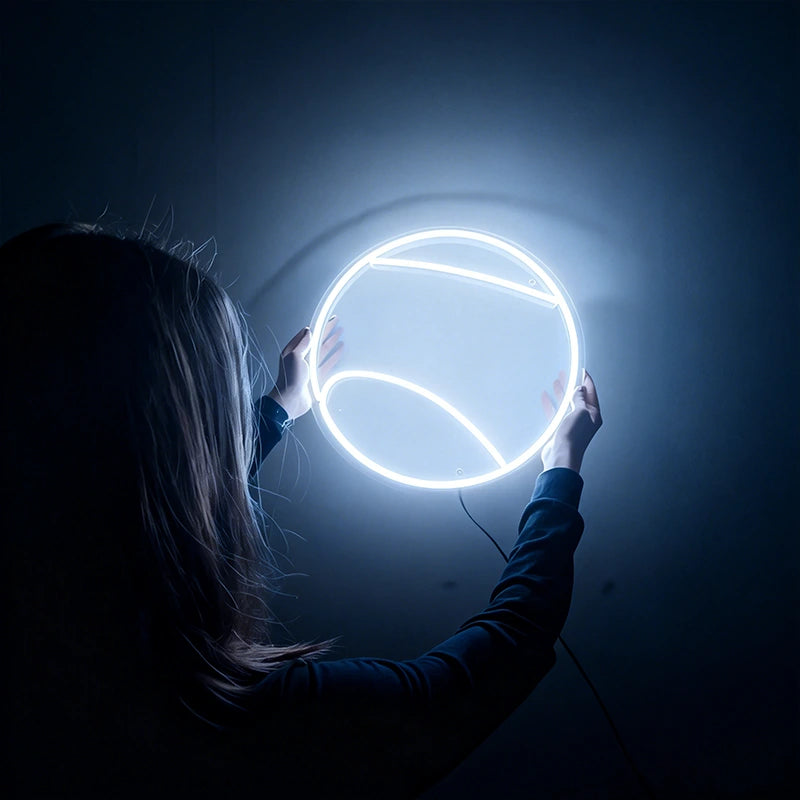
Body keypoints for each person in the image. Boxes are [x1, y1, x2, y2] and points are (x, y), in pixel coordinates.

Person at [2, 221, 602, 799]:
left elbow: (140, 496)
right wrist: (561, 468)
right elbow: (506, 651)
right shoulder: (251, 726)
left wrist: (278, 410)